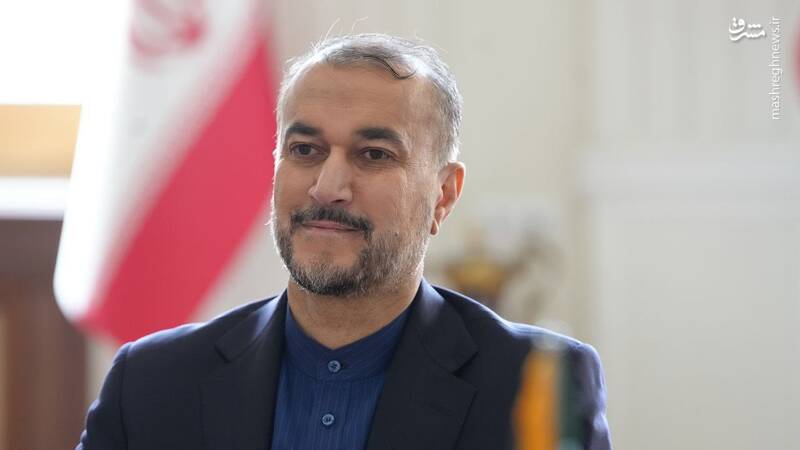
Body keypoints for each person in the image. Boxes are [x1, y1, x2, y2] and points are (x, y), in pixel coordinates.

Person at [77, 33, 611, 450]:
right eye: (305, 149)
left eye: (373, 154)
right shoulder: (151, 382)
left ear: (443, 195)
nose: (327, 187)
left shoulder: (533, 384)